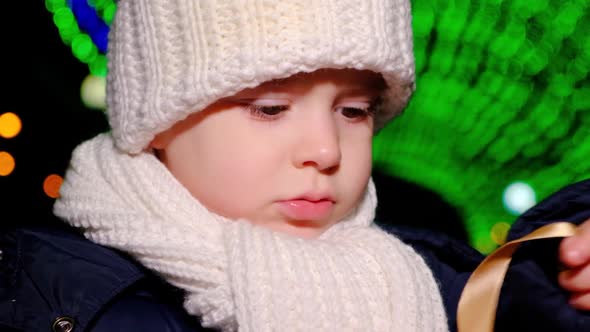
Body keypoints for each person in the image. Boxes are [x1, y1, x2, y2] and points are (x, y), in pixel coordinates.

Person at [1, 0, 589, 331]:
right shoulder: (42, 295)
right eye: (270, 108)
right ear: (159, 124)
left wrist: (574, 253)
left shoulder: (430, 281)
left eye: (354, 110)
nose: (327, 151)